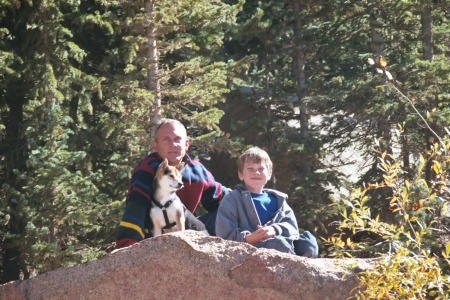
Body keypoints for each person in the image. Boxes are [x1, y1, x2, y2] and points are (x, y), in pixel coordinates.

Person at [115, 118, 228, 249]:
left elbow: (219, 198)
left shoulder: (196, 170)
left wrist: (248, 197)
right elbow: (136, 207)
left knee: (231, 209)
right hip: (153, 236)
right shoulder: (148, 170)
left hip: (184, 228)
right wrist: (127, 246)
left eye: (177, 139)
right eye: (166, 139)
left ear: (186, 144)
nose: (173, 144)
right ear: (155, 145)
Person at [215, 147, 319, 257]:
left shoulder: (278, 200)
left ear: (269, 174)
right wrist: (251, 237)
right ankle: (294, 265)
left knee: (309, 243)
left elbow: (292, 228)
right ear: (241, 174)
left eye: (261, 168)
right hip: (250, 247)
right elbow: (224, 233)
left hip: (281, 241)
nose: (256, 172)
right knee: (279, 244)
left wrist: (275, 229)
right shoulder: (233, 199)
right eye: (250, 169)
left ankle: (299, 265)